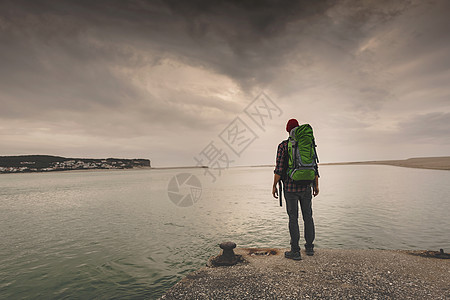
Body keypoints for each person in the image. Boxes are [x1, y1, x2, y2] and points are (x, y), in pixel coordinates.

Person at [272, 118, 319, 260]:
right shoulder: (307, 144)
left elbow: (279, 169)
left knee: (293, 218)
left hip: (290, 188)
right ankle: (310, 248)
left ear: (288, 130)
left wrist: (274, 185)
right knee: (308, 216)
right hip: (306, 186)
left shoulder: (283, 146)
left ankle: (295, 251)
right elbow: (315, 165)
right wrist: (316, 185)